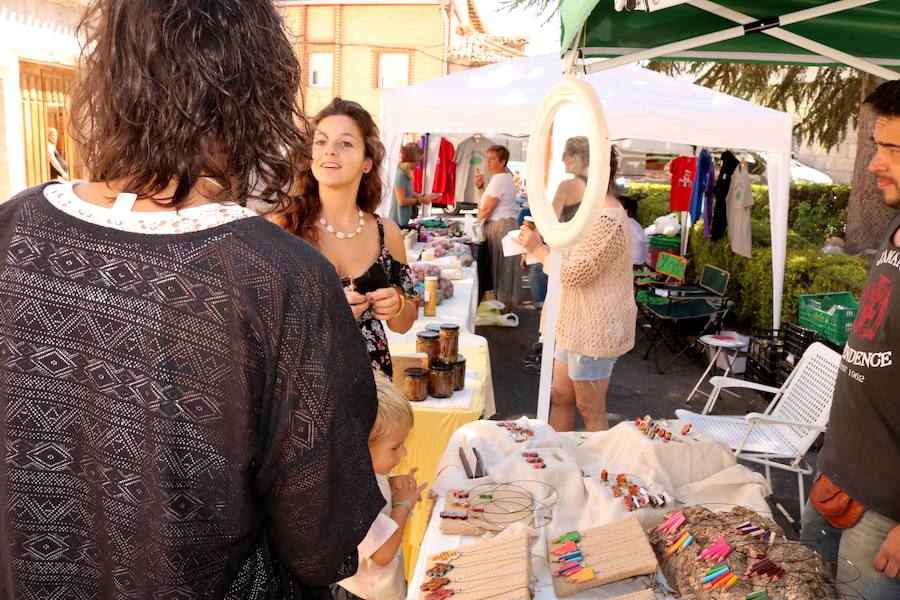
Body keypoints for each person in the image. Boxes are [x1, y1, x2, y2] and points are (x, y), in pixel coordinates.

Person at [0, 2, 384, 599]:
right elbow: (323, 540)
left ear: (112, 74)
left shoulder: (10, 231)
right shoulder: (279, 278)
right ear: (256, 87)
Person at [800, 80, 900, 600]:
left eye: (893, 150)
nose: (874, 166)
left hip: (887, 510)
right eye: (877, 147)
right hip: (837, 472)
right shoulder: (896, 223)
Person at [271, 98, 419, 378]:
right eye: (321, 142)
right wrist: (327, 314)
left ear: (367, 163)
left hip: (371, 385)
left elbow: (407, 321)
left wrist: (397, 304)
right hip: (300, 386)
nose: (330, 151)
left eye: (345, 143)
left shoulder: (388, 233)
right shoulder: (283, 228)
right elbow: (261, 322)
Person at [516, 145, 636, 432]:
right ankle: (562, 462)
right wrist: (537, 246)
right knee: (560, 397)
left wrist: (539, 249)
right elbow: (567, 255)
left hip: (594, 328)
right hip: (570, 321)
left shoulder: (609, 218)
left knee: (590, 408)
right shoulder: (585, 213)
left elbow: (574, 273)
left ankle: (599, 472)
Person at [333, 373, 426, 600]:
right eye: (395, 448)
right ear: (361, 447)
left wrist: (392, 484)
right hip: (366, 594)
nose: (403, 453)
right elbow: (383, 553)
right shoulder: (356, 496)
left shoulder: (362, 475)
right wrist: (403, 505)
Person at [475, 145, 523, 308]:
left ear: (503, 162)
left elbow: (487, 209)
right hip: (506, 225)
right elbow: (487, 203)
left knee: (498, 267)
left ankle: (497, 305)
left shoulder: (499, 179)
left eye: (492, 159)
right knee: (505, 268)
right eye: (487, 158)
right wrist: (481, 188)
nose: (488, 162)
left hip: (499, 228)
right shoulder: (504, 177)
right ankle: (502, 304)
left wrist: (473, 226)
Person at [388, 142, 432, 227]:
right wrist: (421, 200)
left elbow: (408, 193)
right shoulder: (400, 174)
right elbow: (402, 201)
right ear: (412, 159)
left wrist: (424, 196)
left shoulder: (405, 173)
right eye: (418, 161)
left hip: (402, 220)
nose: (418, 164)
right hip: (396, 222)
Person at [553, 136, 590, 222]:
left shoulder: (566, 186)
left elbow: (551, 223)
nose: (562, 160)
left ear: (575, 158)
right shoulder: (594, 187)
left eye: (564, 155)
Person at [619, 195, 649, 267]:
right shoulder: (631, 222)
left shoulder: (624, 223)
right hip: (640, 261)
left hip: (633, 263)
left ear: (625, 211)